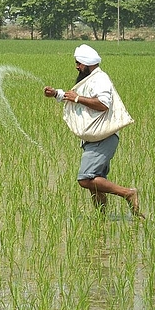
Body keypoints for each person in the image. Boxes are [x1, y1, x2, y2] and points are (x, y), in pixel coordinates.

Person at [43, 44, 144, 219]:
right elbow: (78, 97)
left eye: (79, 63)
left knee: (85, 179)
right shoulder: (89, 79)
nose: (77, 66)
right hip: (95, 138)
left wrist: (77, 98)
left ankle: (128, 193)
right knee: (94, 182)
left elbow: (102, 104)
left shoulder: (100, 79)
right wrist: (56, 94)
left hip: (103, 137)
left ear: (88, 64)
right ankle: (101, 219)